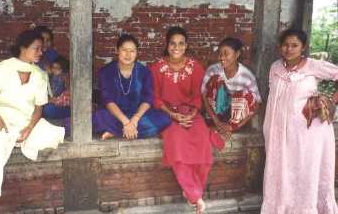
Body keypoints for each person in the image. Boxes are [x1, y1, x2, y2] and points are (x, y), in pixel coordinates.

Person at [0, 30, 65, 214]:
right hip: (0, 120)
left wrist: (29, 128)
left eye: (42, 49)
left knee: (56, 134)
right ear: (23, 47)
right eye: (36, 48)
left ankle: (19, 139)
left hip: (25, 122)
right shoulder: (4, 68)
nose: (41, 52)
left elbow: (39, 109)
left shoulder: (40, 74)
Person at [261, 29, 338, 213]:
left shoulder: (313, 65)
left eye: (294, 45)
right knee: (281, 171)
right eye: (286, 45)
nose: (289, 49)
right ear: (280, 47)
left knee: (304, 171)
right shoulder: (275, 67)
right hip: (278, 131)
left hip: (308, 133)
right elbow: (274, 98)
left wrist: (331, 100)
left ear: (303, 47)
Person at [150, 26, 225, 214]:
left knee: (202, 140)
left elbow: (198, 97)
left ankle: (194, 189)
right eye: (173, 43)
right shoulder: (157, 67)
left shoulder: (195, 66)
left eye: (181, 43)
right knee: (176, 142)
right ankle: (194, 194)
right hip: (165, 114)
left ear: (186, 45)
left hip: (190, 112)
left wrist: (191, 114)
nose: (176, 47)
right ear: (167, 45)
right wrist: (172, 115)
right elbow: (155, 98)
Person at [92, 34, 171, 140]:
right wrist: (125, 122)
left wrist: (134, 120)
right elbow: (108, 100)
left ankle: (115, 132)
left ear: (137, 53)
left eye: (132, 51)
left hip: (137, 115)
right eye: (124, 50)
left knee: (164, 119)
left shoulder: (144, 72)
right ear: (117, 50)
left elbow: (148, 99)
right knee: (97, 117)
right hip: (114, 115)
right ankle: (127, 130)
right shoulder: (106, 72)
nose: (128, 54)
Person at [201, 37, 262, 139]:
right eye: (220, 53)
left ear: (237, 54)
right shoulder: (213, 70)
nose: (222, 57)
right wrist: (216, 121)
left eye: (226, 53)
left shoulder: (246, 76)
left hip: (236, 116)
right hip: (217, 112)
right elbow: (203, 94)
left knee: (244, 94)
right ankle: (217, 123)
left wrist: (234, 126)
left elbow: (257, 104)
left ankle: (229, 126)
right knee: (216, 80)